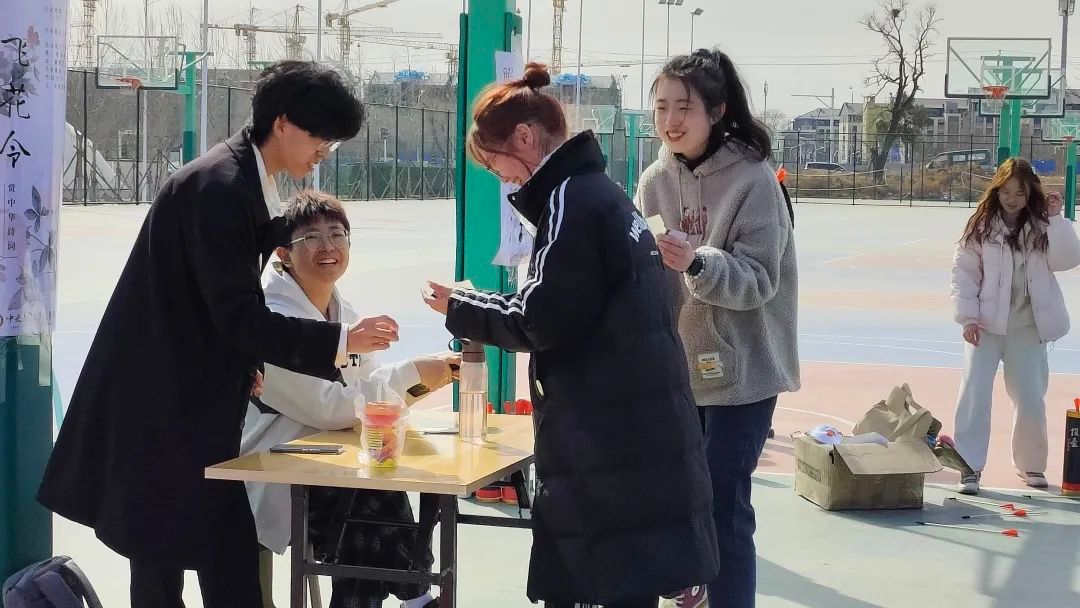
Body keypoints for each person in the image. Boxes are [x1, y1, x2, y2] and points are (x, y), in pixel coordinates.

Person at [37, 61, 398, 608]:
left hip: (183, 398)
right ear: (282, 123)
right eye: (320, 136)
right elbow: (237, 316)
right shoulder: (221, 186)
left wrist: (248, 361)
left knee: (190, 552)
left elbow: (216, 308)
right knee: (175, 558)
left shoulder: (240, 176)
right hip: (163, 402)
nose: (324, 150)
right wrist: (341, 341)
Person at [423, 63, 719, 608]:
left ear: (525, 138)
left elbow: (538, 318)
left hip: (602, 442)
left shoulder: (569, 203)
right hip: (636, 433)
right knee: (627, 583)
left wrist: (460, 306)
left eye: (496, 164)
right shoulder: (604, 194)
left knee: (592, 581)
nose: (503, 180)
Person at [637, 48, 800, 608]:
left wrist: (698, 263)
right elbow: (648, 278)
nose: (671, 120)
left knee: (724, 505)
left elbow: (760, 279)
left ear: (716, 110)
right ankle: (691, 584)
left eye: (684, 107)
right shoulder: (654, 181)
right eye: (661, 107)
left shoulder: (754, 180)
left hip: (746, 373)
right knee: (680, 499)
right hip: (680, 371)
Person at [240, 190, 456, 608]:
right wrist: (414, 375)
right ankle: (418, 597)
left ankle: (416, 598)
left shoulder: (345, 311)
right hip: (273, 468)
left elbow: (370, 393)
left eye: (337, 234)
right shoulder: (270, 320)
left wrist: (425, 377)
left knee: (371, 500)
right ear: (284, 254)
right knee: (367, 500)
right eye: (312, 238)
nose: (328, 246)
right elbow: (329, 408)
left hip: (330, 466)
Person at [951, 157, 1080, 495]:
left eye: (1020, 193)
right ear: (996, 190)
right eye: (1006, 191)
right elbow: (964, 274)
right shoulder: (981, 226)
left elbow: (1066, 260)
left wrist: (1057, 219)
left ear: (1030, 193)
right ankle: (969, 467)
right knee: (974, 394)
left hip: (1028, 326)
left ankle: (1031, 465)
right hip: (984, 326)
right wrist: (968, 318)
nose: (1012, 199)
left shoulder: (1042, 224)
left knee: (1031, 398)